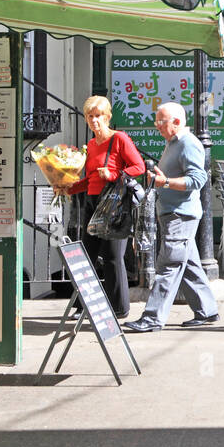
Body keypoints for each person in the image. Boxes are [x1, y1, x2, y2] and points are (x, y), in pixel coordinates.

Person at [123, 102, 219, 332]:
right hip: (175, 213)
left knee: (169, 265)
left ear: (176, 122)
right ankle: (207, 310)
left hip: (180, 215)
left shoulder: (188, 144)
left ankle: (152, 318)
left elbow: (197, 180)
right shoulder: (174, 143)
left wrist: (164, 182)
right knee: (188, 265)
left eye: (160, 122)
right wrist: (160, 178)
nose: (157, 126)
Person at [66, 96, 145, 319]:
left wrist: (113, 174)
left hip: (113, 203)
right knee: (87, 257)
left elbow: (138, 166)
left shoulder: (119, 139)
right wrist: (67, 188)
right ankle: (83, 306)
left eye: (98, 116)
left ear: (107, 117)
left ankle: (119, 308)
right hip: (92, 203)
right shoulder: (91, 145)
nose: (94, 121)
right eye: (90, 116)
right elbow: (91, 178)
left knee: (112, 257)